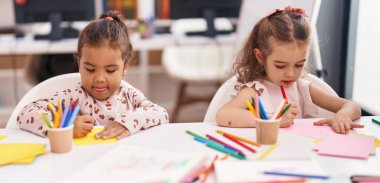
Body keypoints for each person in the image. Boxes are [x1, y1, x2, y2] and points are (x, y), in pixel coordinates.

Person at [17, 11, 169, 139]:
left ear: (125, 67)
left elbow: (162, 114)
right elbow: (24, 114)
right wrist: (64, 127)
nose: (99, 79)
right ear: (79, 63)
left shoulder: (130, 96)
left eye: (110, 70)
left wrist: (130, 120)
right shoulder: (73, 96)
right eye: (90, 69)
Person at [216, 6, 363, 134]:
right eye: (280, 65)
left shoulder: (301, 88)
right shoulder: (256, 90)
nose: (291, 74)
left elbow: (352, 106)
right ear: (260, 57)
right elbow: (224, 115)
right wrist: (274, 119)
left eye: (299, 65)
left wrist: (343, 115)